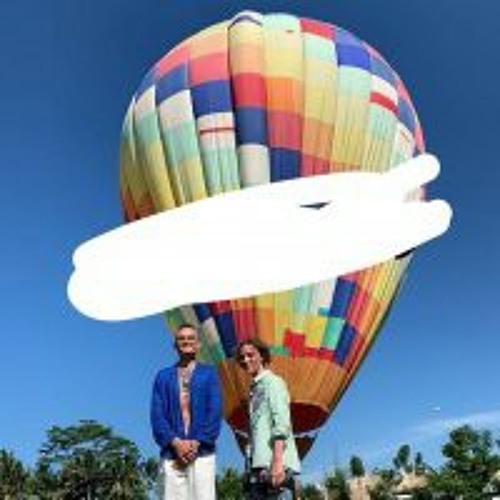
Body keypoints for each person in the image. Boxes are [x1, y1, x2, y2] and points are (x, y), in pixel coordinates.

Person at [151, 323, 223, 500]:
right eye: (181, 338)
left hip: (202, 452)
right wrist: (176, 443)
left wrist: (197, 442)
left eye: (191, 338)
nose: (186, 341)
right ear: (175, 345)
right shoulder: (163, 377)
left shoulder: (209, 374)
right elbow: (157, 415)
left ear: (198, 344)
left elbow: (215, 411)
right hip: (172, 453)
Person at [236, 339, 301, 499]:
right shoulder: (254, 390)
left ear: (262, 356)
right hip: (258, 469)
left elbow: (281, 423)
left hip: (274, 467)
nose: (245, 360)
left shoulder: (273, 383)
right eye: (242, 357)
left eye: (250, 355)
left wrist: (277, 462)